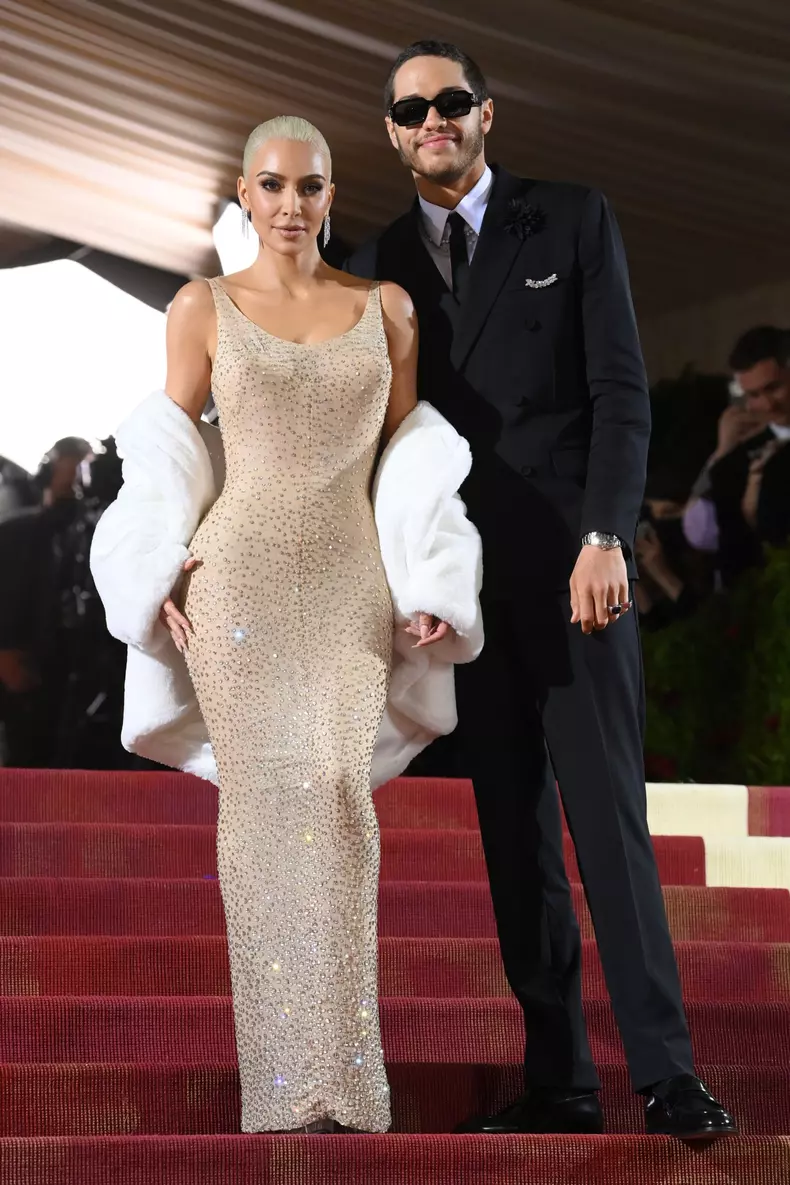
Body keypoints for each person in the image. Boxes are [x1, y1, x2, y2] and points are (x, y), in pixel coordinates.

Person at [347, 40, 736, 1138]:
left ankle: (665, 1073)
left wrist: (607, 535)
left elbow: (621, 392)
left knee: (608, 826)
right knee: (512, 839)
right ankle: (559, 1079)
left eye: (451, 101)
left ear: (487, 113)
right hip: (463, 594)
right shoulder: (378, 265)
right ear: (391, 131)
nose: (433, 119)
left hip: (577, 574)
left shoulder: (570, 218)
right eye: (412, 109)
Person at [91, 116, 483, 1135]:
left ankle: (344, 1078)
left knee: (341, 796)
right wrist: (150, 566)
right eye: (271, 186)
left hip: (351, 583)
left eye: (309, 187)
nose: (291, 205)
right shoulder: (201, 305)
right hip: (235, 585)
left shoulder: (386, 308)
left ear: (331, 196)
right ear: (245, 195)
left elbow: (409, 461)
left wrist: (431, 577)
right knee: (264, 810)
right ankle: (280, 1083)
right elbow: (166, 451)